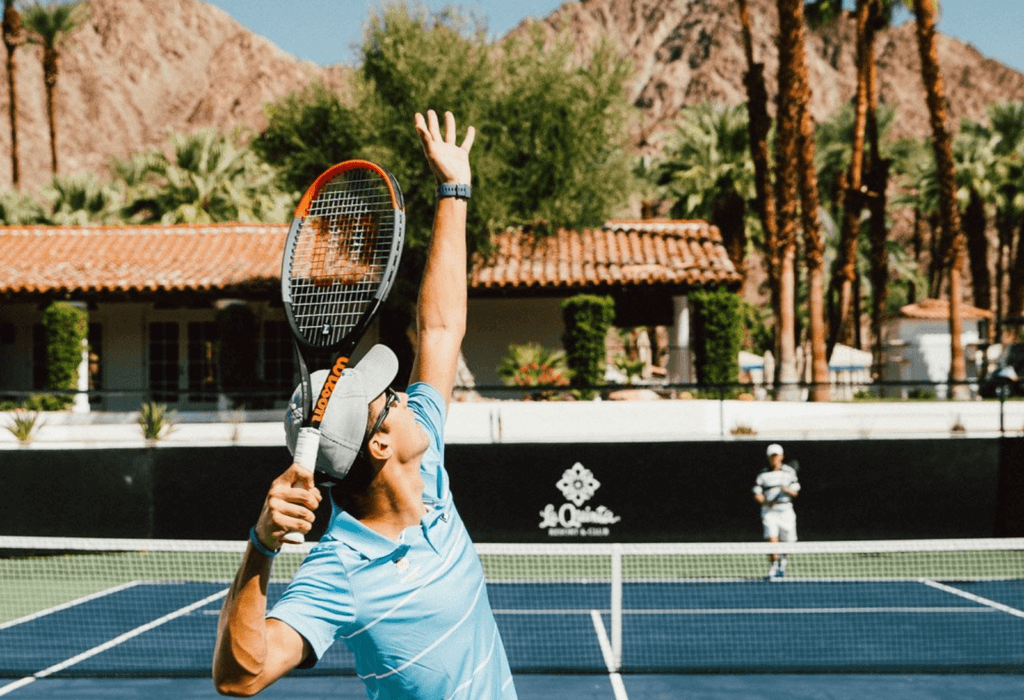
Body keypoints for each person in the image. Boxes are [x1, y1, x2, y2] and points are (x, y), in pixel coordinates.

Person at [213, 110, 517, 699]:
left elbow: (440, 328)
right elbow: (238, 678)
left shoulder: (423, 464)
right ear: (380, 443)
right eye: (392, 397)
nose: (407, 395)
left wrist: (454, 190)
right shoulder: (339, 570)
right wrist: (260, 546)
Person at [752, 443, 800, 581]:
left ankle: (781, 564)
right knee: (772, 539)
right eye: (771, 456)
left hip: (786, 510)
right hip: (769, 511)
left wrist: (787, 490)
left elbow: (795, 492)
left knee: (788, 541)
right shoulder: (763, 474)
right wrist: (764, 501)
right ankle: (773, 566)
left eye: (776, 456)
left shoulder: (789, 472)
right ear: (768, 458)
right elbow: (757, 493)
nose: (774, 459)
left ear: (781, 456)